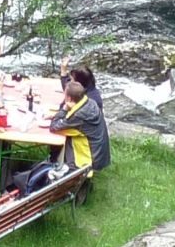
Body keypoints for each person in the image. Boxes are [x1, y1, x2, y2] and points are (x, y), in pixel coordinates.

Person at [13, 66, 110, 197]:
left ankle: (39, 176)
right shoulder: (89, 102)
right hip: (99, 154)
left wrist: (64, 108)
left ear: (69, 99)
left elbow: (54, 126)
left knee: (58, 148)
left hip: (90, 159)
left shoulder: (78, 115)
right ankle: (41, 168)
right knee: (61, 144)